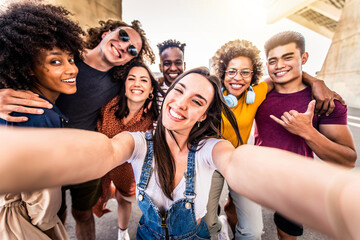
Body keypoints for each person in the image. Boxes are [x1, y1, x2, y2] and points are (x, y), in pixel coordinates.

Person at [0, 67, 358, 240]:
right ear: (167, 92)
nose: (181, 104)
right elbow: (102, 152)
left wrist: (338, 197)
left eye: (197, 100)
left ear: (205, 114)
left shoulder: (210, 150)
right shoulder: (136, 142)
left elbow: (239, 163)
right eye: (179, 91)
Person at [0, 16, 155, 240]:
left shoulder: (119, 81)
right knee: (52, 213)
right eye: (122, 36)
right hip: (45, 153)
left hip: (85, 155)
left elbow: (145, 97)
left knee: (82, 213)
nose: (123, 46)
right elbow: (14, 62)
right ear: (106, 33)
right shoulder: (62, 53)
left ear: (127, 62)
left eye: (132, 49)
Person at [206, 39, 343, 240]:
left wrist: (316, 82)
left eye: (246, 72)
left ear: (253, 75)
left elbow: (288, 73)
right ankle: (223, 225)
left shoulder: (257, 93)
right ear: (223, 72)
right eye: (232, 71)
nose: (238, 78)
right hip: (210, 164)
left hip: (238, 163)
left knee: (253, 231)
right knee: (208, 224)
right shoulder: (210, 96)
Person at [254, 31, 357, 240]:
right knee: (237, 216)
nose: (279, 65)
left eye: (288, 57)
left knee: (286, 235)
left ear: (304, 58)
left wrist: (308, 132)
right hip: (256, 174)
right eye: (272, 60)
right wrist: (314, 80)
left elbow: (348, 159)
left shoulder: (326, 103)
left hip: (293, 182)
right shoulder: (260, 93)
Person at [0, 2, 84, 239]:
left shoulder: (12, 103)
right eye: (55, 61)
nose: (71, 69)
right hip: (21, 224)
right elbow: (41, 202)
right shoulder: (37, 113)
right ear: (28, 68)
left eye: (70, 59)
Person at [91, 62, 162, 240]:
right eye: (131, 78)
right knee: (97, 197)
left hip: (128, 168)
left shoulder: (154, 117)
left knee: (125, 199)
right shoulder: (108, 106)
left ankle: (122, 232)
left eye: (143, 80)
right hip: (99, 164)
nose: (137, 84)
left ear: (151, 88)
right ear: (124, 85)